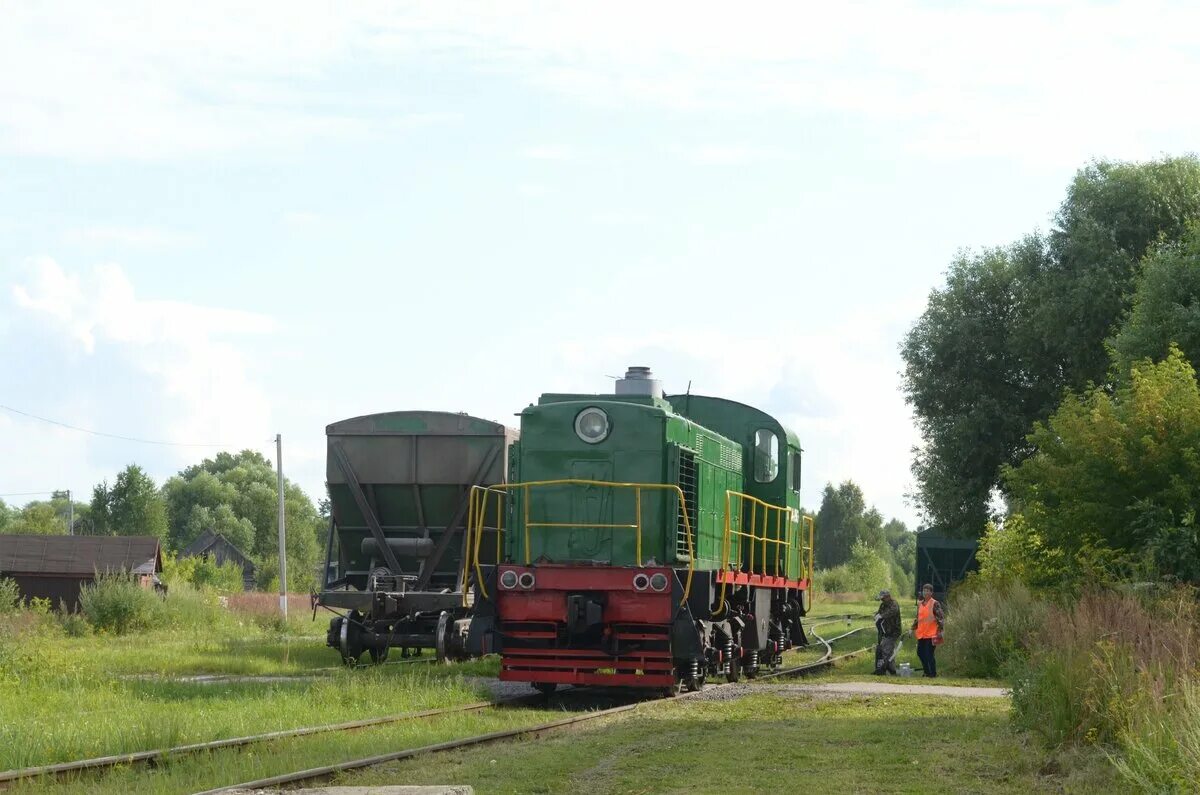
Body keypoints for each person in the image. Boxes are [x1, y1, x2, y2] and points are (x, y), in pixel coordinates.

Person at [912, 583, 945, 677]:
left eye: (927, 591)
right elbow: (918, 618)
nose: (925, 592)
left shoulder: (935, 603)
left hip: (932, 634)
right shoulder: (920, 604)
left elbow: (941, 618)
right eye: (924, 590)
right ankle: (926, 671)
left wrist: (940, 630)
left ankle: (933, 674)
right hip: (921, 634)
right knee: (920, 653)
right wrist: (912, 628)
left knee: (929, 654)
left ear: (931, 592)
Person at [872, 589, 902, 675]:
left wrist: (881, 615)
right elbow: (879, 613)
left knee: (886, 650)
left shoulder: (894, 604)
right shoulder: (883, 605)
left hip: (893, 631)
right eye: (881, 599)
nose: (882, 600)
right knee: (887, 650)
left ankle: (882, 670)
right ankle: (892, 670)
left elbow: (891, 612)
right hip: (885, 631)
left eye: (883, 598)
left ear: (888, 597)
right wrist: (876, 615)